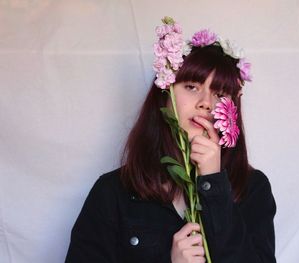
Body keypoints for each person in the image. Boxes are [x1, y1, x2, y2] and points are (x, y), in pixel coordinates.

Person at [65, 22, 276, 263]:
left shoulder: (252, 188)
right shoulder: (113, 192)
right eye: (191, 86)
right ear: (165, 95)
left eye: (219, 93)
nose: (206, 103)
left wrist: (213, 183)